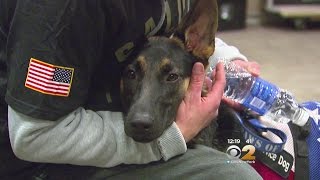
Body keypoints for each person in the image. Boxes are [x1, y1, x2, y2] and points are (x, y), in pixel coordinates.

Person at [0, 0, 262, 179]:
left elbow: (166, 26)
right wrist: (171, 136)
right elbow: (33, 136)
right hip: (43, 161)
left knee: (256, 144)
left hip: (125, 111)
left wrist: (226, 64)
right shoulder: (62, 13)